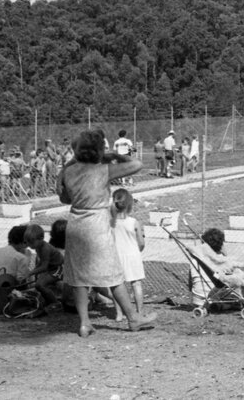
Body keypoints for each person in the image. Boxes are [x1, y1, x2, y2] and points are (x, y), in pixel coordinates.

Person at [57, 129, 154, 337]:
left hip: (76, 224)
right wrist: (116, 156)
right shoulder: (103, 170)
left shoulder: (68, 171)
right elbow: (137, 165)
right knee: (112, 272)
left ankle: (84, 323)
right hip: (98, 223)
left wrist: (69, 163)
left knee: (79, 276)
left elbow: (64, 199)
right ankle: (133, 318)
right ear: (99, 150)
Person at [191, 228, 244, 306]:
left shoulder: (197, 259)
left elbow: (191, 282)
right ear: (221, 244)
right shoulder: (222, 260)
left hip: (197, 299)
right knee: (241, 275)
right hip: (214, 296)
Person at [110, 188, 145, 322]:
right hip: (133, 255)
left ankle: (119, 314)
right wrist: (138, 250)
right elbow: (141, 243)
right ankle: (139, 312)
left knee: (117, 285)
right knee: (136, 284)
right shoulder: (134, 222)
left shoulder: (111, 222)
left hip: (116, 256)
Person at [24, 223, 65, 316]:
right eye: (27, 242)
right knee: (39, 284)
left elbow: (44, 267)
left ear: (41, 238)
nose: (29, 245)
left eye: (31, 242)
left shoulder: (45, 249)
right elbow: (41, 262)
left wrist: (30, 273)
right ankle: (50, 300)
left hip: (58, 268)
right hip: (51, 268)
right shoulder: (38, 247)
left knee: (40, 284)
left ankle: (55, 303)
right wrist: (34, 270)